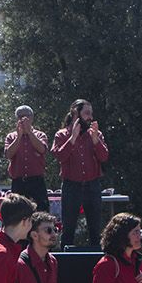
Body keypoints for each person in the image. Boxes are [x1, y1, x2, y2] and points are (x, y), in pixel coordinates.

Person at [52, 100, 109, 249]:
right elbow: (59, 156)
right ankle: (66, 260)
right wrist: (73, 138)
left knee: (95, 229)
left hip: (92, 185)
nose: (90, 117)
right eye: (87, 113)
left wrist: (96, 140)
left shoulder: (96, 134)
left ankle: (97, 259)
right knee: (68, 229)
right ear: (75, 114)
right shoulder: (61, 135)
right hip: (71, 186)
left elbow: (104, 157)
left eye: (91, 114)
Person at [3, 105, 50, 210]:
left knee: (41, 211)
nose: (23, 119)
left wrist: (29, 132)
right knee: (17, 213)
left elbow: (42, 150)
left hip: (37, 181)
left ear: (32, 118)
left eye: (26, 116)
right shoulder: (11, 137)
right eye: (20, 116)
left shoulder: (40, 135)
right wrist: (19, 136)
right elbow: (8, 155)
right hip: (18, 181)